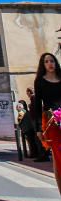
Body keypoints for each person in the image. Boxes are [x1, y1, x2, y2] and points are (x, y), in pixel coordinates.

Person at [34, 52, 61, 192]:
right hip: (51, 121)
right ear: (43, 65)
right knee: (58, 156)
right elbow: (38, 105)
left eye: (52, 60)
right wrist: (39, 128)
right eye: (47, 61)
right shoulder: (40, 81)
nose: (50, 63)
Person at [26, 86, 48, 161]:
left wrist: (38, 125)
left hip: (38, 121)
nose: (27, 94)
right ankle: (43, 155)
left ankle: (43, 156)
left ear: (29, 92)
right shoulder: (34, 99)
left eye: (27, 92)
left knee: (39, 138)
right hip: (38, 121)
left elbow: (38, 112)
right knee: (40, 138)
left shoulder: (34, 98)